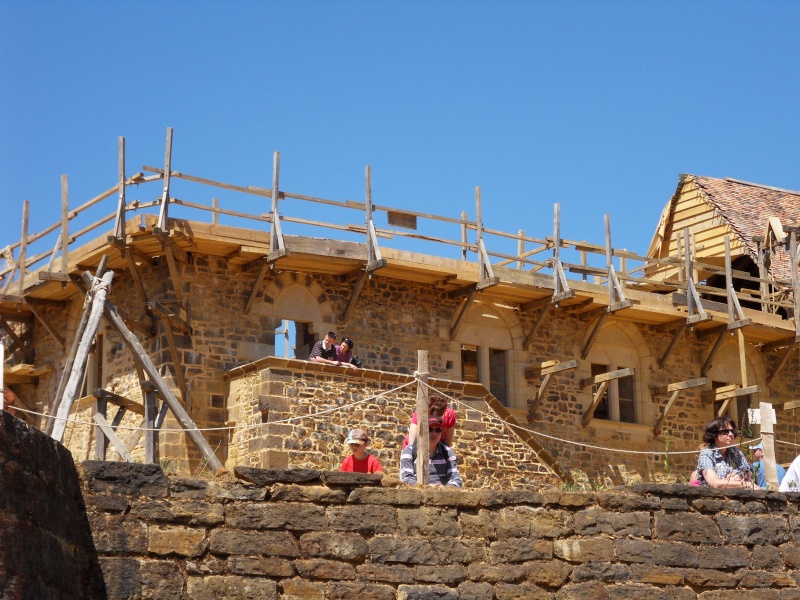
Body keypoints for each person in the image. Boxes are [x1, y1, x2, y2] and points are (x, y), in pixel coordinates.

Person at [696, 416, 760, 489]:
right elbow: (714, 483)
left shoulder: (736, 453)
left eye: (732, 431)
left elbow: (748, 474)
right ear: (714, 435)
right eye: (725, 431)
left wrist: (739, 477)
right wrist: (745, 484)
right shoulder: (706, 454)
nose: (731, 434)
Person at [400, 416, 462, 487]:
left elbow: (456, 479)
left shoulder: (447, 452)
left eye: (438, 430)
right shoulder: (409, 451)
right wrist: (428, 489)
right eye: (430, 429)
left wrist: (445, 489)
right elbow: (407, 479)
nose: (434, 433)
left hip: (443, 495)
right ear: (422, 431)